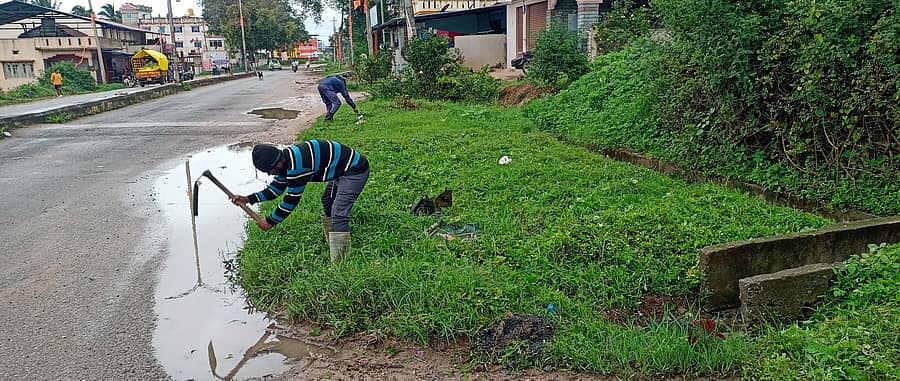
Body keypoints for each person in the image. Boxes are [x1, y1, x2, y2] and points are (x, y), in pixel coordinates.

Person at [231, 142, 370, 262]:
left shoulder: (297, 167)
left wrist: (270, 221)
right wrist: (249, 199)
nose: (270, 174)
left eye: (270, 171)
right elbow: (275, 189)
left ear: (278, 163)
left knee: (338, 213)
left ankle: (341, 259)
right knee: (327, 200)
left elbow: (291, 199)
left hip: (354, 170)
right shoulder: (286, 159)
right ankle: (334, 237)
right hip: (341, 170)